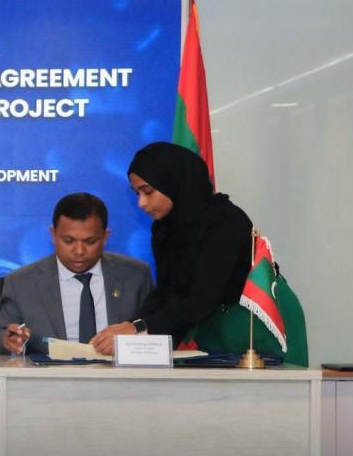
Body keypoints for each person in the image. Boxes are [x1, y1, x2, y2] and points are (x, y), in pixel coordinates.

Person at [90, 141, 253, 356]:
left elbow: (201, 300)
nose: (141, 203)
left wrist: (138, 328)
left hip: (248, 334)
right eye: (137, 193)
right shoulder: (164, 228)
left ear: (174, 182)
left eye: (148, 191)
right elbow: (167, 293)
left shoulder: (226, 222)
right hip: (209, 333)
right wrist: (129, 330)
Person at [0, 193, 154, 355]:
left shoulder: (136, 276)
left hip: (120, 373)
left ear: (105, 237)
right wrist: (7, 341)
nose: (79, 251)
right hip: (49, 374)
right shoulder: (21, 282)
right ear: (53, 235)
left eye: (90, 241)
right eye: (68, 241)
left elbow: (157, 331)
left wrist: (137, 332)